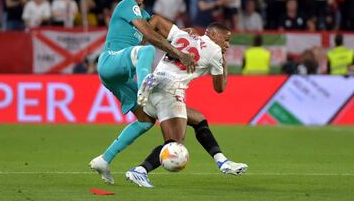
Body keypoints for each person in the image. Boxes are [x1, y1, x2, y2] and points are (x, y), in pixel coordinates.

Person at [89, 16, 248, 186]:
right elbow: (219, 88)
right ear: (214, 34)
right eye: (226, 39)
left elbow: (156, 20)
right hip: (171, 92)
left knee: (198, 119)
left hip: (154, 88)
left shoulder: (184, 34)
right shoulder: (215, 52)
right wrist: (224, 67)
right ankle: (140, 171)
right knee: (174, 144)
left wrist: (140, 46)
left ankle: (222, 162)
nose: (228, 45)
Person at [88, 0, 195, 184]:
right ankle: (144, 85)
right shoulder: (127, 5)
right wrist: (179, 53)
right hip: (110, 61)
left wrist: (183, 34)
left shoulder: (144, 15)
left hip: (119, 75)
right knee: (145, 52)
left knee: (146, 120)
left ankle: (104, 159)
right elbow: (150, 36)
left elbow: (159, 30)